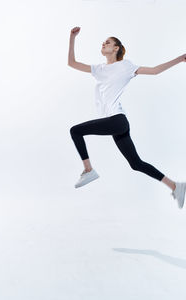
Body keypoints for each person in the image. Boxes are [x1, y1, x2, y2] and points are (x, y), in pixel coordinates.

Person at [68, 26, 186, 209]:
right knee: (136, 163)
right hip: (117, 123)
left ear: (116, 48)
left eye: (108, 42)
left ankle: (88, 170)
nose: (103, 44)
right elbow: (72, 63)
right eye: (103, 42)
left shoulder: (126, 66)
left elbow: (155, 70)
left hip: (117, 120)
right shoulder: (98, 69)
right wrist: (72, 38)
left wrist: (180, 59)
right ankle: (175, 186)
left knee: (75, 131)